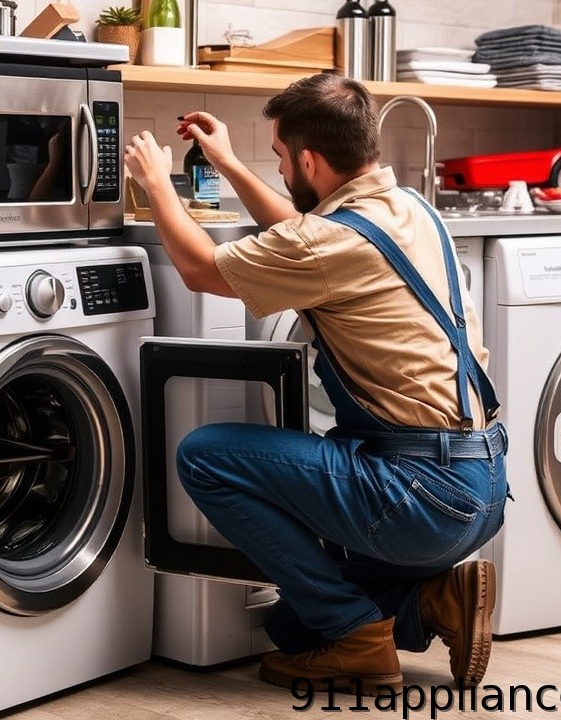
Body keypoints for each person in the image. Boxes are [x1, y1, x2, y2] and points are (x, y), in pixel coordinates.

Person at [122, 73, 508, 693]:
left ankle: (361, 640)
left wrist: (155, 183)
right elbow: (308, 237)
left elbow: (197, 268)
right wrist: (226, 161)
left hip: (421, 497)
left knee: (205, 455)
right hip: (480, 485)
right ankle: (439, 598)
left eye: (278, 157)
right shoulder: (409, 207)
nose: (277, 170)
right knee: (291, 629)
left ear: (308, 158)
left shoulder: (329, 244)